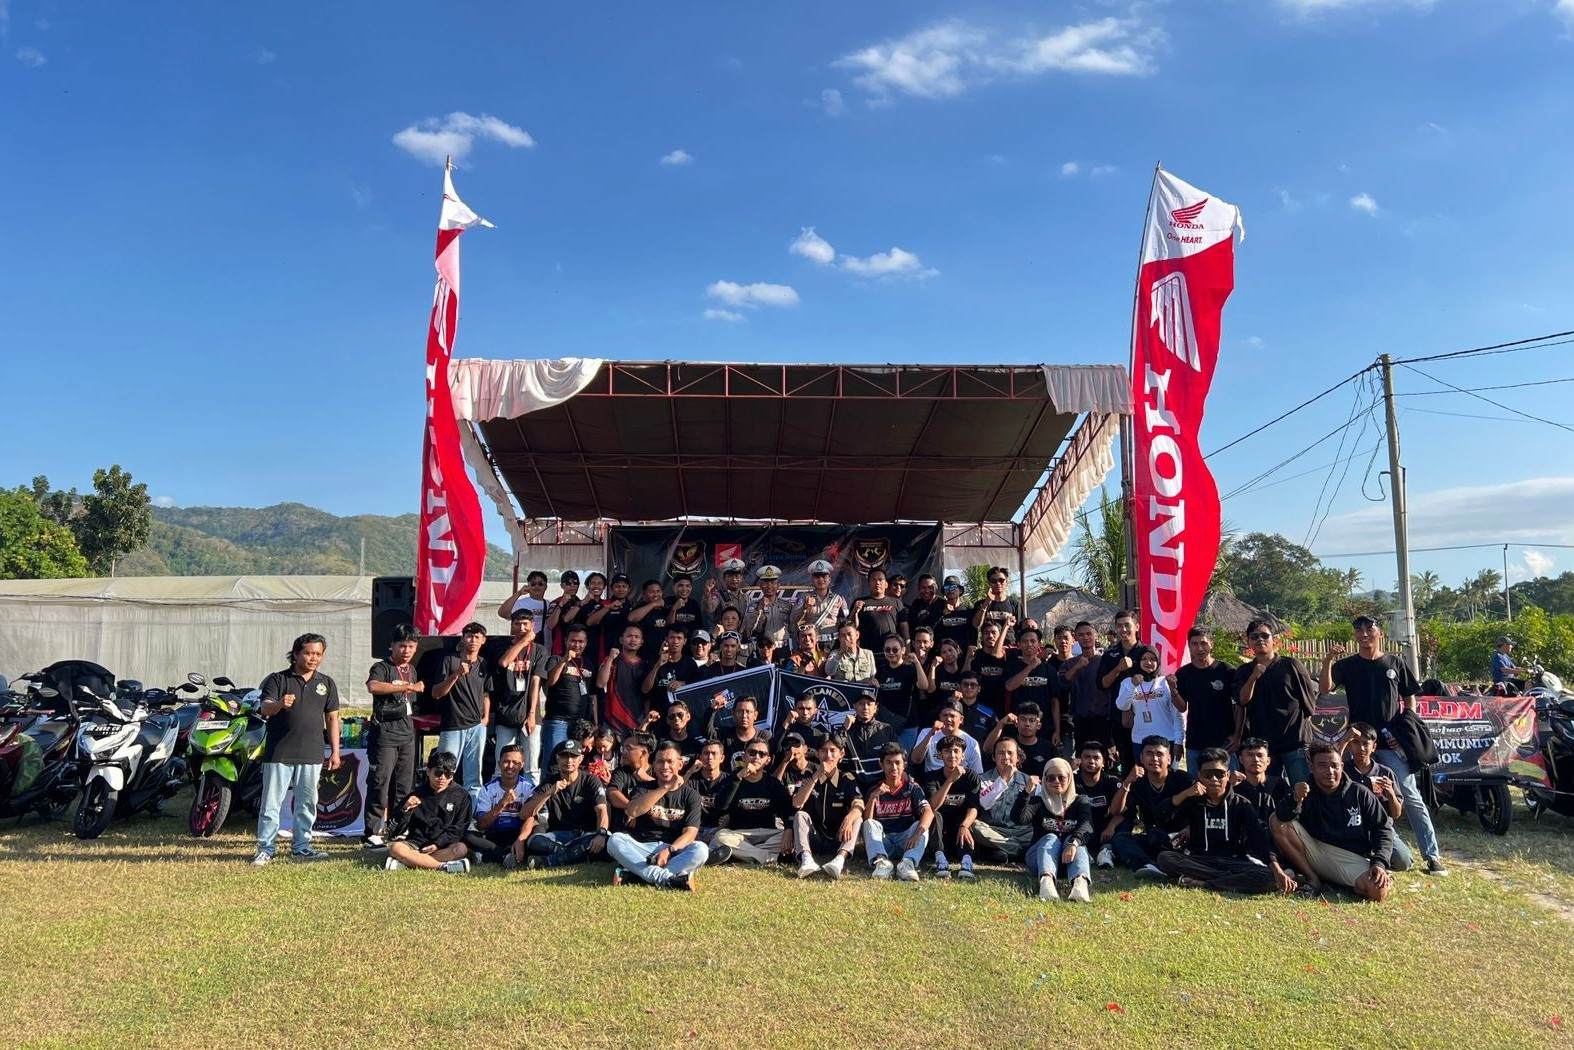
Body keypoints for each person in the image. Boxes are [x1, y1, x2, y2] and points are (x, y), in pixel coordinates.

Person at [1322, 616, 1447, 875]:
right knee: (1347, 794)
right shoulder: (1347, 665)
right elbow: (1325, 688)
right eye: (1359, 630)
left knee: (1409, 796)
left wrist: (1403, 730)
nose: (1364, 633)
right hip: (1358, 743)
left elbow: (1409, 699)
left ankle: (1432, 857)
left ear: (1380, 632)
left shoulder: (1395, 663)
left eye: (1370, 629)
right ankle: (1354, 850)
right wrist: (1327, 661)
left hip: (1389, 744)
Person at [253, 633, 341, 865]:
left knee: (307, 804)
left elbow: (333, 719)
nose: (313, 658)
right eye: (308, 653)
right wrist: (280, 704)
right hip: (280, 752)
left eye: (318, 654)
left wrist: (335, 751)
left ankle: (301, 847)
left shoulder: (326, 683)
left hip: (312, 752)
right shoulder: (277, 679)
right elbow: (265, 708)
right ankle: (265, 849)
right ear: (295, 654)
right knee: (271, 804)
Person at [1156, 748, 1293, 894]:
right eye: (1208, 774)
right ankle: (1229, 880)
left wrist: (1277, 869)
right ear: (1199, 775)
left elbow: (1259, 841)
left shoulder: (1241, 804)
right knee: (1165, 858)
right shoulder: (1193, 801)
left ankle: (1203, 883)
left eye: (1219, 774)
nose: (1214, 779)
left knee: (1268, 877)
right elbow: (1160, 816)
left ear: (1227, 775)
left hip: (1233, 861)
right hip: (1199, 859)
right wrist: (1185, 794)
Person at [1271, 744, 1396, 901]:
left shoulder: (1360, 793)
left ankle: (1334, 880)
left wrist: (1379, 863)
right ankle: (1312, 879)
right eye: (1322, 765)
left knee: (1378, 891)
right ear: (1311, 767)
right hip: (1314, 851)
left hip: (1350, 857)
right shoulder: (1304, 790)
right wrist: (1295, 799)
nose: (1329, 771)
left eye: (1334, 766)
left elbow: (1382, 828)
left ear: (1342, 766)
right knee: (1276, 820)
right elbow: (1282, 817)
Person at [607, 741, 710, 890]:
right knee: (614, 840)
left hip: (673, 850)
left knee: (701, 849)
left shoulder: (690, 795)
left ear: (680, 764)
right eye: (660, 762)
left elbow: (690, 833)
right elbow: (632, 811)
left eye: (670, 762)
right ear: (654, 765)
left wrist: (669, 851)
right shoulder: (643, 788)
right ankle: (667, 878)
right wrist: (665, 787)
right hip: (641, 847)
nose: (665, 766)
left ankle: (637, 875)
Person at [1232, 620, 1316, 786]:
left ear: (1274, 640)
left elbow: (1309, 702)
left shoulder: (1291, 665)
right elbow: (1242, 700)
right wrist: (1254, 676)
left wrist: (1303, 730)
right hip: (1263, 747)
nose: (1260, 640)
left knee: (1303, 790)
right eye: (1254, 637)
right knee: (1269, 792)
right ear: (1248, 642)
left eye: (1265, 636)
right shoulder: (1244, 671)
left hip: (1295, 742)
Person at [364, 624, 422, 847]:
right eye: (402, 646)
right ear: (392, 646)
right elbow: (373, 686)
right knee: (380, 782)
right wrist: (406, 687)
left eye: (411, 646)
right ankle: (373, 831)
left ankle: (398, 828)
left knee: (404, 785)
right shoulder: (382, 667)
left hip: (407, 733)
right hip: (385, 735)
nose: (406, 651)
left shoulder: (412, 669)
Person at [1105, 736, 1195, 878]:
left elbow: (1202, 809)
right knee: (1121, 839)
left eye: (1159, 754)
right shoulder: (1138, 782)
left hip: (1181, 838)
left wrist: (1190, 828)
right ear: (1141, 758)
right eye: (1149, 754)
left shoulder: (1183, 779)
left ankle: (1160, 862)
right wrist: (1127, 782)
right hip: (1154, 837)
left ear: (1169, 759)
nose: (1154, 759)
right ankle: (1149, 865)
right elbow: (1116, 811)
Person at [515, 739, 611, 869]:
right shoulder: (549, 783)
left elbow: (602, 811)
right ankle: (574, 854)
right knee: (534, 841)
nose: (569, 760)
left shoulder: (591, 781)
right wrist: (549, 793)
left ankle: (549, 861)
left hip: (585, 835)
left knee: (606, 841)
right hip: (558, 836)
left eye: (573, 756)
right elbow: (524, 814)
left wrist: (601, 833)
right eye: (564, 756)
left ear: (581, 758)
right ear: (557, 758)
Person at [1014, 757, 1093, 902]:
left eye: (1061, 777)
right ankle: (1046, 882)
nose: (1056, 781)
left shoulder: (1080, 801)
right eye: (1050, 778)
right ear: (1044, 780)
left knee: (1078, 843)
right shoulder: (1038, 801)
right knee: (1051, 837)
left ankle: (1080, 884)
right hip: (1038, 858)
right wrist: (1026, 792)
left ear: (1069, 778)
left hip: (1069, 860)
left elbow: (1086, 826)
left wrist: (1073, 843)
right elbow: (1019, 819)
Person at [431, 622, 491, 805]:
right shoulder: (449, 661)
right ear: (463, 638)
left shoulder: (483, 663)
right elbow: (436, 693)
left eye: (477, 637)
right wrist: (456, 674)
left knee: (474, 776)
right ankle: (441, 810)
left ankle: (471, 813)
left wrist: (485, 718)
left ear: (483, 640)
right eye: (469, 636)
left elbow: (486, 693)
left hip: (477, 727)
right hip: (453, 725)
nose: (473, 640)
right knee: (444, 771)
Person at [1340, 723, 1414, 871]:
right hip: (1351, 828)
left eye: (1365, 744)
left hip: (1381, 829)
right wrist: (1344, 740)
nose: (1361, 748)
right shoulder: (1342, 771)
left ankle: (1375, 860)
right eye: (1355, 743)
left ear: (1373, 747)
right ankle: (1368, 860)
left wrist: (1390, 793)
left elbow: (1396, 814)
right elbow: (1330, 759)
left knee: (1403, 861)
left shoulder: (1385, 773)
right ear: (1349, 746)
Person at [384, 750, 473, 874]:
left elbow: (459, 828)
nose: (442, 778)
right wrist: (405, 810)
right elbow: (393, 831)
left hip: (443, 845)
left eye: (448, 774)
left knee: (461, 849)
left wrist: (437, 844)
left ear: (452, 775)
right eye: (438, 773)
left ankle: (411, 862)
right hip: (416, 844)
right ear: (428, 771)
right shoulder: (415, 794)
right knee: (395, 848)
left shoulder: (462, 796)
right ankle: (443, 867)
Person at [791, 735, 865, 879]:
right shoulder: (808, 775)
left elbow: (859, 803)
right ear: (818, 753)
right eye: (824, 750)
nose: (828, 755)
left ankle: (839, 860)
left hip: (839, 836)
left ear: (841, 754)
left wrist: (849, 818)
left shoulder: (846, 778)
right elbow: (797, 803)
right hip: (815, 838)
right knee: (800, 815)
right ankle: (806, 860)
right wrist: (816, 776)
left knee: (857, 818)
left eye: (833, 750)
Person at [712, 740, 795, 865]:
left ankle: (743, 853)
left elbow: (787, 810)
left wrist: (788, 830)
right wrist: (738, 778)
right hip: (739, 834)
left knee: (794, 835)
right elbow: (720, 806)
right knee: (720, 836)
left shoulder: (773, 783)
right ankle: (771, 857)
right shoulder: (733, 778)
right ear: (744, 756)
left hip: (767, 834)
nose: (756, 757)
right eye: (752, 752)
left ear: (768, 760)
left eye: (762, 754)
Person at [863, 743, 935, 881]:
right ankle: (882, 863)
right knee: (869, 824)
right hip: (884, 841)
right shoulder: (875, 788)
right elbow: (868, 820)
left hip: (906, 841)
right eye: (889, 763)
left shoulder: (912, 787)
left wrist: (917, 835)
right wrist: (873, 797)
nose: (894, 767)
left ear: (904, 765)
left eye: (897, 762)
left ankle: (907, 864)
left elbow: (928, 812)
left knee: (921, 825)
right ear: (881, 765)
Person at [1174, 627, 1238, 773]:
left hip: (1224, 742)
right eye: (1194, 644)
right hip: (1195, 741)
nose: (1199, 648)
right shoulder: (1183, 673)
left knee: (1230, 782)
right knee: (1195, 783)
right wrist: (1173, 690)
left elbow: (1241, 705)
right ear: (1189, 646)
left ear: (1211, 644)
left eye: (1203, 643)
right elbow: (1182, 707)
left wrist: (1237, 735)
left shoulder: (1226, 670)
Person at [490, 610, 545, 779]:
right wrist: (524, 641)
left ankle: (531, 795)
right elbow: (504, 662)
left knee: (531, 766)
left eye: (525, 624)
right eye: (517, 624)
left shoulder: (539, 650)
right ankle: (499, 793)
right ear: (511, 625)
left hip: (530, 713)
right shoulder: (501, 646)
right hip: (506, 711)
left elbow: (536, 681)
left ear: (532, 625)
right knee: (502, 763)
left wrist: (532, 714)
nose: (521, 628)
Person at [921, 735, 982, 879]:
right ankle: (940, 860)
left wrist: (965, 825)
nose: (952, 755)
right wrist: (950, 780)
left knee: (966, 820)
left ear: (963, 755)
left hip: (959, 826)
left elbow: (973, 807)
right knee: (934, 815)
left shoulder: (971, 776)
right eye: (947, 751)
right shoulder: (931, 777)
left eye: (956, 751)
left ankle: (966, 862)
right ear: (940, 755)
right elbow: (933, 805)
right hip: (939, 830)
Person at [1115, 646, 1185, 766]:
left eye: (1153, 659)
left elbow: (1177, 715)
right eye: (1144, 659)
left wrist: (1179, 741)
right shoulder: (1128, 682)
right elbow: (1121, 705)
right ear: (1138, 661)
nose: (1148, 662)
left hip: (1167, 740)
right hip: (1140, 740)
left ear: (1158, 662)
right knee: (1143, 775)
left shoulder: (1166, 682)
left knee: (1168, 775)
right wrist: (1132, 685)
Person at [468, 743, 536, 864]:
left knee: (538, 832)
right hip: (495, 834)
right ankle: (505, 855)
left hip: (518, 833)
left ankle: (488, 855)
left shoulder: (529, 788)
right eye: (506, 762)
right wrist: (502, 804)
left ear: (522, 765)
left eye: (515, 762)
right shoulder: (487, 789)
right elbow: (482, 825)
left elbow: (531, 818)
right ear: (499, 763)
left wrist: (521, 839)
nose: (510, 766)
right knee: (468, 835)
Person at [972, 737, 1037, 861]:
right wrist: (1003, 779)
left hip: (1022, 832)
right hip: (994, 830)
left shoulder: (1028, 781)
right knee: (974, 826)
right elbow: (984, 803)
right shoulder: (983, 779)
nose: (1006, 757)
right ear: (994, 757)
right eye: (1001, 753)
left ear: (1018, 758)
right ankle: (1019, 850)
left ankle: (1003, 850)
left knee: (1041, 830)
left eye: (1010, 753)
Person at [539, 624, 595, 767]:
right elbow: (550, 682)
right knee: (553, 761)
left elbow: (592, 695)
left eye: (581, 641)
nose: (577, 645)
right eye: (573, 641)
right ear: (566, 641)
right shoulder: (555, 659)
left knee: (574, 763)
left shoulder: (589, 663)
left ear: (586, 643)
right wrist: (564, 660)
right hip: (558, 721)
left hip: (580, 723)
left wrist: (593, 722)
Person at [1062, 621, 1115, 764]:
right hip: (1080, 721)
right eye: (1081, 635)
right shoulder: (1070, 663)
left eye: (1088, 634)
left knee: (1104, 761)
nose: (1085, 637)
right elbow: (1063, 683)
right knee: (1083, 761)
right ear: (1075, 638)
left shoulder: (1106, 661)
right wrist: (1077, 667)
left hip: (1104, 721)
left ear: (1096, 636)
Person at [873, 634, 930, 744]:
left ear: (903, 650)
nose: (891, 653)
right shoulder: (880, 670)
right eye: (887, 650)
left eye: (895, 650)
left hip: (907, 725)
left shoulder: (910, 668)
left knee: (903, 755)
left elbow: (924, 686)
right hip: (884, 724)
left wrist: (917, 663)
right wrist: (873, 684)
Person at [1075, 742, 1123, 869]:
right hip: (1079, 828)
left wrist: (1111, 827)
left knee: (1124, 825)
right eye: (1087, 757)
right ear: (1080, 760)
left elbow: (1125, 812)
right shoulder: (1070, 781)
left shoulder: (1112, 782)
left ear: (1103, 762)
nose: (1091, 761)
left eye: (1096, 758)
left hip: (1105, 830)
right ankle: (1082, 851)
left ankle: (1106, 851)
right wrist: (1069, 769)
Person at [596, 624, 650, 735]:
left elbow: (647, 696)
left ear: (642, 642)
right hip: (612, 720)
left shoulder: (645, 665)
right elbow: (600, 683)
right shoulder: (612, 660)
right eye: (629, 636)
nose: (633, 639)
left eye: (637, 637)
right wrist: (610, 659)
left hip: (637, 720)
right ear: (621, 640)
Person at [982, 702, 1055, 779]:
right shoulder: (1008, 744)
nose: (1027, 724)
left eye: (1031, 720)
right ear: (1016, 723)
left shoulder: (1048, 748)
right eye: (1023, 719)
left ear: (1038, 725)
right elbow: (987, 749)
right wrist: (1001, 724)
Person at [911, 701, 985, 775]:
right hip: (932, 779)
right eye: (945, 715)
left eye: (952, 716)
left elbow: (978, 773)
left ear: (961, 719)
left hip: (959, 778)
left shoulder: (972, 743)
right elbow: (916, 760)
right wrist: (931, 734)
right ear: (940, 717)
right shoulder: (927, 732)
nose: (948, 719)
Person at [843, 692, 896, 788]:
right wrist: (844, 729)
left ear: (875, 707)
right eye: (861, 703)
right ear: (854, 706)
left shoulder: (886, 729)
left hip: (882, 785)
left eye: (869, 704)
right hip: (852, 785)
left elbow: (897, 757)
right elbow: (835, 751)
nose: (865, 707)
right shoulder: (846, 729)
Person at [795, 559, 850, 650]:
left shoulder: (838, 599)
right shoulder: (804, 597)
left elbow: (845, 623)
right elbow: (793, 621)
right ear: (812, 580)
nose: (820, 579)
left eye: (824, 576)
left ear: (829, 579)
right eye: (817, 577)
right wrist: (805, 608)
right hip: (812, 644)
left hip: (834, 644)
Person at [605, 731, 657, 829]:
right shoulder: (621, 771)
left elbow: (669, 791)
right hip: (623, 831)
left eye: (628, 748)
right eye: (623, 748)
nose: (623, 752)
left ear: (643, 753)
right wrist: (633, 809)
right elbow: (612, 793)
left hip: (652, 831)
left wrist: (649, 779)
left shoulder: (658, 772)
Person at [744, 565, 795, 654]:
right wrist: (758, 610)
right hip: (764, 649)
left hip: (783, 649)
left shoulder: (787, 605)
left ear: (778, 585)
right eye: (766, 582)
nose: (769, 586)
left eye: (773, 582)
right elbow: (747, 630)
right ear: (760, 586)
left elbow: (793, 628)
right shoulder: (753, 606)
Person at [712, 694, 770, 770]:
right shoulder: (725, 734)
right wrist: (712, 710)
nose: (744, 716)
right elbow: (708, 733)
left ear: (755, 715)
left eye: (748, 712)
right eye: (740, 712)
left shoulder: (764, 736)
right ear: (733, 714)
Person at [853, 569, 906, 649]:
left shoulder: (896, 602)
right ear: (868, 583)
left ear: (886, 584)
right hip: (867, 652)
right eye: (873, 580)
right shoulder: (859, 602)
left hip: (891, 652)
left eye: (880, 579)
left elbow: (904, 628)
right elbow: (850, 626)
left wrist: (907, 648)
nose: (877, 583)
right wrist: (854, 611)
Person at [968, 621, 1012, 716]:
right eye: (986, 633)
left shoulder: (1007, 655)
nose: (990, 636)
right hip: (980, 705)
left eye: (994, 632)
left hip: (1002, 706)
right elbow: (965, 676)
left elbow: (995, 654)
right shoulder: (976, 655)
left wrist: (1006, 626)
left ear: (1000, 636)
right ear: (982, 636)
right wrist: (968, 658)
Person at [971, 566, 1023, 646]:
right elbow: (976, 625)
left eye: (1001, 580)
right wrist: (986, 602)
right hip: (989, 647)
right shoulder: (980, 604)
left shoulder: (1014, 603)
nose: (998, 583)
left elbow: (1021, 628)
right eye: (994, 581)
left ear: (1007, 582)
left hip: (1009, 647)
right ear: (989, 583)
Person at [822, 622, 878, 690]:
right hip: (844, 694)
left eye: (849, 634)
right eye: (843, 636)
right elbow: (829, 672)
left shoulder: (868, 654)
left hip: (863, 694)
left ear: (857, 635)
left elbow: (872, 676)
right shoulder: (835, 654)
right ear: (839, 638)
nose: (847, 638)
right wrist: (840, 653)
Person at [628, 579, 671, 662]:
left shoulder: (664, 609)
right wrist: (654, 604)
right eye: (651, 592)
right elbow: (631, 618)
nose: (656, 594)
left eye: (658, 591)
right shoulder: (641, 607)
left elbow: (670, 624)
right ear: (644, 594)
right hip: (644, 655)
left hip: (662, 653)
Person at [703, 558, 750, 632]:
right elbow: (710, 608)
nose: (734, 579)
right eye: (730, 576)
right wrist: (708, 593)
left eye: (737, 576)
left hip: (740, 636)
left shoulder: (746, 597)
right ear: (724, 578)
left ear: (741, 578)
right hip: (723, 636)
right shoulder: (719, 595)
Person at [543, 570, 584, 655]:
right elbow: (550, 625)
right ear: (562, 585)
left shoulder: (581, 603)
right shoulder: (555, 602)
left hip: (579, 648)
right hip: (560, 649)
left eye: (575, 583)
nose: (572, 585)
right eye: (568, 583)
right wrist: (561, 605)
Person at [498, 570, 548, 634]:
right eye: (533, 584)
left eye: (540, 584)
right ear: (528, 586)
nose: (536, 586)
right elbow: (502, 613)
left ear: (546, 586)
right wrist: (519, 593)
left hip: (546, 640)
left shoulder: (550, 604)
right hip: (523, 639)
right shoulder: (520, 603)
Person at [657, 698, 704, 762]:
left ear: (688, 716)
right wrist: (647, 721)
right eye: (672, 716)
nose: (676, 718)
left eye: (680, 715)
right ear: (667, 720)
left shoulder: (697, 746)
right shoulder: (659, 744)